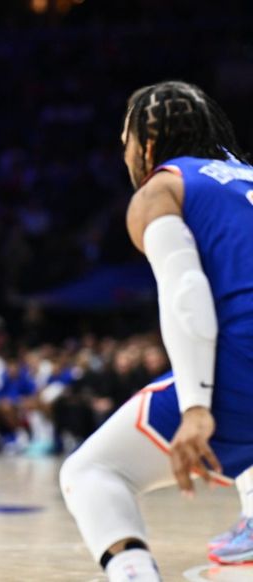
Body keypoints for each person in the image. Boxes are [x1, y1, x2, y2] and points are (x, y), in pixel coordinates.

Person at [60, 80, 253, 581]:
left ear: (146, 144)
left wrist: (195, 408)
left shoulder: (162, 188)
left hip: (243, 367)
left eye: (124, 140)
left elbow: (185, 292)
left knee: (92, 472)